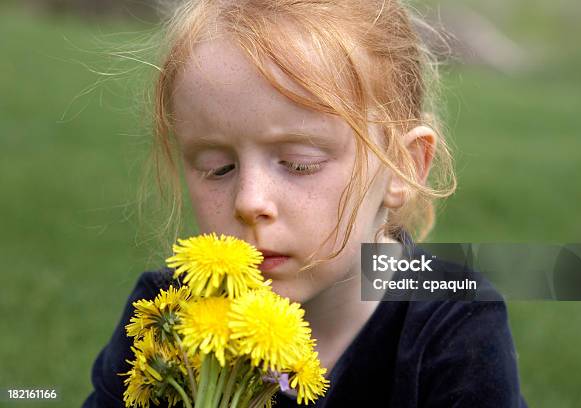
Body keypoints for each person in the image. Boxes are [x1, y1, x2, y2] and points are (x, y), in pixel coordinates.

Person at [83, 0, 527, 406]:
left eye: (298, 163)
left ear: (401, 167)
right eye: (219, 168)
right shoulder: (168, 319)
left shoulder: (457, 322)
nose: (250, 201)